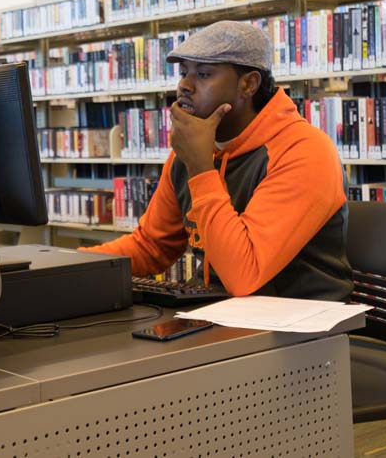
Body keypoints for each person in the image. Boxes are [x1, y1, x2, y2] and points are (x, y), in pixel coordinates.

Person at [84, 20, 352, 300]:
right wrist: (69, 265)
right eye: (184, 72)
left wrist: (201, 168)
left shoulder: (303, 151)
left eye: (203, 74)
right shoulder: (188, 153)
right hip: (217, 313)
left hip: (299, 325)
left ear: (248, 84)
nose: (185, 85)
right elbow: (151, 246)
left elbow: (243, 275)